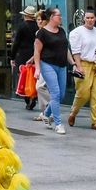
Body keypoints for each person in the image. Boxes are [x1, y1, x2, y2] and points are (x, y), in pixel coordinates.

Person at [32, 7, 75, 135]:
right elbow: (37, 52)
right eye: (58, 15)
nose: (60, 17)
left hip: (62, 65)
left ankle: (46, 113)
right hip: (47, 64)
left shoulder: (61, 31)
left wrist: (72, 62)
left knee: (61, 95)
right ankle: (58, 124)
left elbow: (65, 49)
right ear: (51, 17)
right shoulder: (42, 33)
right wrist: (38, 68)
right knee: (55, 93)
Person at [67, 10, 96, 130]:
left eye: (92, 18)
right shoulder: (76, 32)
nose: (90, 20)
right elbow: (76, 51)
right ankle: (73, 112)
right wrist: (78, 66)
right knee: (83, 93)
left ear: (95, 19)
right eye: (87, 18)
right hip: (83, 64)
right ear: (84, 19)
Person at [9, 5, 39, 110]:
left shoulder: (22, 26)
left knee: (24, 77)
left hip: (22, 54)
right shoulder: (38, 26)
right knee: (34, 76)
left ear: (26, 16)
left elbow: (16, 43)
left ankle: (27, 98)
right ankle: (34, 95)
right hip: (35, 54)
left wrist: (12, 57)